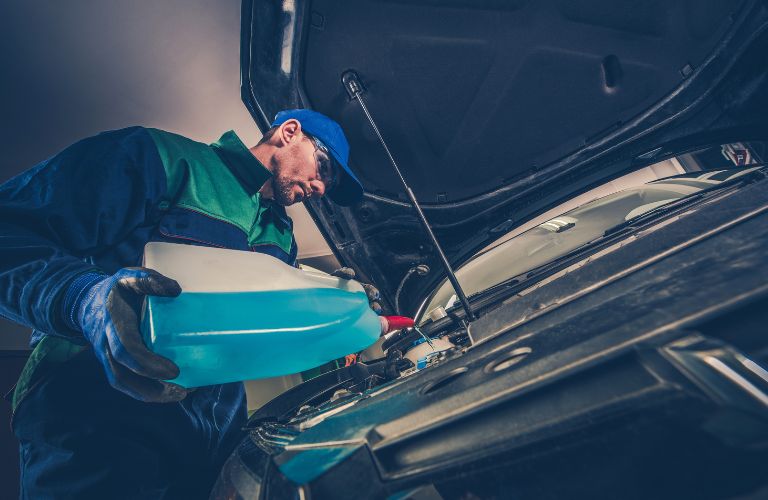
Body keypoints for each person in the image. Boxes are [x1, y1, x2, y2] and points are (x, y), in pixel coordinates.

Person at [0, 109, 370, 498]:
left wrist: (331, 306)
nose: (321, 187)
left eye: (330, 183)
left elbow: (270, 330)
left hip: (216, 430)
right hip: (94, 406)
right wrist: (82, 299)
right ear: (289, 132)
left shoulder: (282, 236)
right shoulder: (159, 156)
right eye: (323, 167)